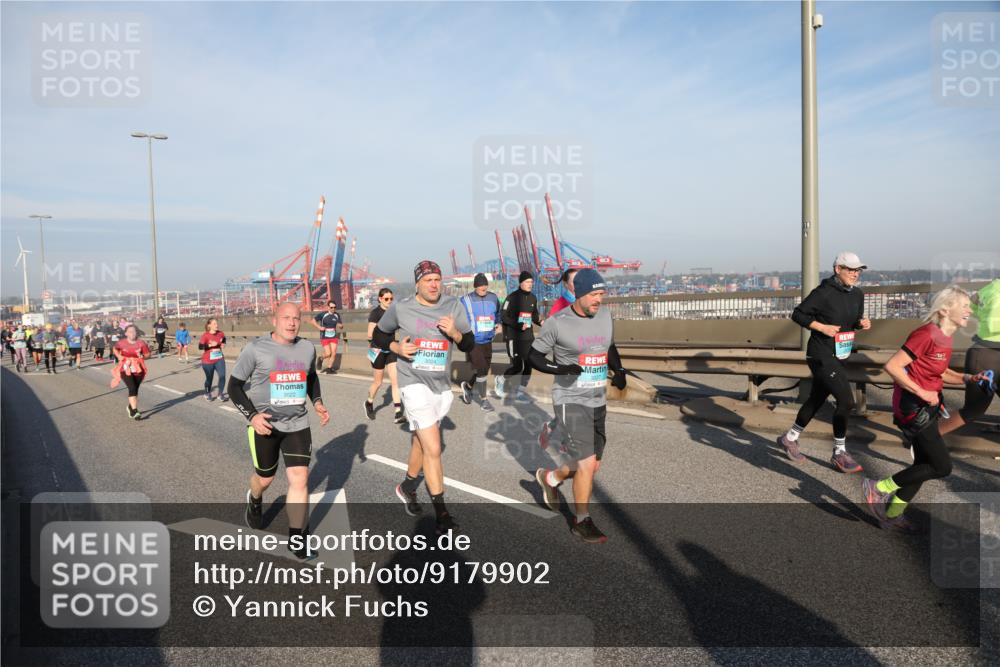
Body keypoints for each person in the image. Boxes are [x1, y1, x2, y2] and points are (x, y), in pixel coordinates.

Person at [862, 286, 990, 532]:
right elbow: (894, 366)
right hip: (912, 409)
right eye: (963, 305)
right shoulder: (926, 334)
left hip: (928, 406)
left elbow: (939, 370)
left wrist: (968, 378)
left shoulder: (945, 337)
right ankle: (878, 487)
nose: (969, 310)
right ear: (944, 310)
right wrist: (921, 392)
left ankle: (891, 514)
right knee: (941, 466)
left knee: (922, 464)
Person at [372, 260, 474, 534]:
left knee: (420, 440)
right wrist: (396, 347)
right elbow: (379, 336)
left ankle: (406, 486)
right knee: (434, 447)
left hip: (441, 388)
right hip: (412, 383)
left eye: (437, 280)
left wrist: (454, 333)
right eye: (428, 280)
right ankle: (441, 512)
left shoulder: (453, 306)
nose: (433, 284)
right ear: (417, 282)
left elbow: (469, 342)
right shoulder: (401, 307)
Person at [529, 269, 628, 543]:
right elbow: (534, 356)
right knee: (585, 464)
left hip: (597, 398)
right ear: (580, 293)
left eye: (602, 294)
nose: (599, 299)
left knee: (592, 465)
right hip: (569, 399)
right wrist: (562, 368)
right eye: (594, 294)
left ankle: (550, 477)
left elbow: (609, 346)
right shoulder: (557, 322)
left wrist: (618, 369)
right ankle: (581, 521)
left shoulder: (606, 316)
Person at [228, 302, 330, 560]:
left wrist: (316, 402)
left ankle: (298, 537)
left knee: (300, 479)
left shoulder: (307, 347)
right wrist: (252, 416)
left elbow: (310, 377)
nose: (292, 323)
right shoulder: (256, 349)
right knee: (265, 479)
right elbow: (235, 387)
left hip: (297, 424)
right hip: (266, 427)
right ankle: (254, 497)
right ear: (275, 320)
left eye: (296, 318)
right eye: (286, 318)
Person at [778, 252, 871, 473]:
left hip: (840, 355)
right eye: (850, 269)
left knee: (817, 399)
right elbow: (798, 314)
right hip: (820, 355)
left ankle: (790, 438)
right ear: (838, 269)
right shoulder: (823, 292)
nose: (855, 274)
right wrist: (821, 327)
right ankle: (839, 452)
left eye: (858, 270)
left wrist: (861, 323)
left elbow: (851, 322)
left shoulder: (857, 294)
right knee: (846, 402)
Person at [939, 278, 999, 435]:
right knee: (973, 410)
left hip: (988, 352)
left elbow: (973, 307)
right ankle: (924, 438)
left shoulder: (988, 289)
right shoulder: (995, 291)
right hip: (987, 356)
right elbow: (994, 324)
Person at [496, 271, 542, 403]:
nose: (530, 285)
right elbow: (503, 316)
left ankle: (520, 393)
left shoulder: (533, 298)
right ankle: (501, 379)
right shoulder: (511, 297)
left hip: (528, 338)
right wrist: (517, 324)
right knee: (517, 366)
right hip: (514, 337)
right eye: (527, 282)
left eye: (531, 282)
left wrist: (542, 322)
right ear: (521, 283)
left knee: (529, 365)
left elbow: (534, 316)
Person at [459, 273, 502, 412]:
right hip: (473, 341)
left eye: (485, 286)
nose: (483, 288)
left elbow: (498, 314)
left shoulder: (493, 298)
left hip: (488, 339)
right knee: (482, 369)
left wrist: (498, 323)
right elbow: (458, 318)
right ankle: (484, 401)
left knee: (483, 369)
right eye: (480, 286)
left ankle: (468, 386)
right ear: (475, 286)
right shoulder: (465, 300)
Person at [364, 288, 404, 424]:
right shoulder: (375, 313)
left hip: (391, 349)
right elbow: (370, 334)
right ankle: (369, 402)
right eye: (386, 299)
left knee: (395, 381)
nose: (389, 301)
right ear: (380, 299)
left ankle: (398, 413)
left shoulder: (394, 313)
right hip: (377, 350)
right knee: (378, 382)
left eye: (391, 299)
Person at [111, 324, 150, 420]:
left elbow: (148, 354)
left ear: (137, 333)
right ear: (126, 333)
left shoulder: (141, 343)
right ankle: (135, 411)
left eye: (134, 331)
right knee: (132, 387)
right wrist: (119, 356)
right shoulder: (121, 343)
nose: (132, 333)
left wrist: (143, 356)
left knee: (135, 389)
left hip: (138, 368)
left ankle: (130, 407)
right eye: (130, 331)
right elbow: (115, 349)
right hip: (125, 367)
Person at [310, 300, 344, 374]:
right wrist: (319, 327)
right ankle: (321, 358)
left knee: (334, 353)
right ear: (328, 307)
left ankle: (329, 368)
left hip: (334, 336)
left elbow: (340, 325)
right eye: (331, 307)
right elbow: (312, 321)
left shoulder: (337, 315)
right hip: (324, 336)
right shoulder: (323, 314)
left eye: (334, 307)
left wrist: (341, 326)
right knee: (328, 353)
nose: (333, 309)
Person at [199, 318, 228, 401]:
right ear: (209, 325)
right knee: (209, 378)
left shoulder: (221, 333)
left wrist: (223, 344)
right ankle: (207, 393)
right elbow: (200, 347)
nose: (217, 325)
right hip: (207, 361)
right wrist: (210, 345)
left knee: (222, 376)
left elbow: (224, 340)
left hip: (219, 358)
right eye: (214, 324)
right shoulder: (205, 335)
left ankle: (220, 394)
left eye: (217, 323)